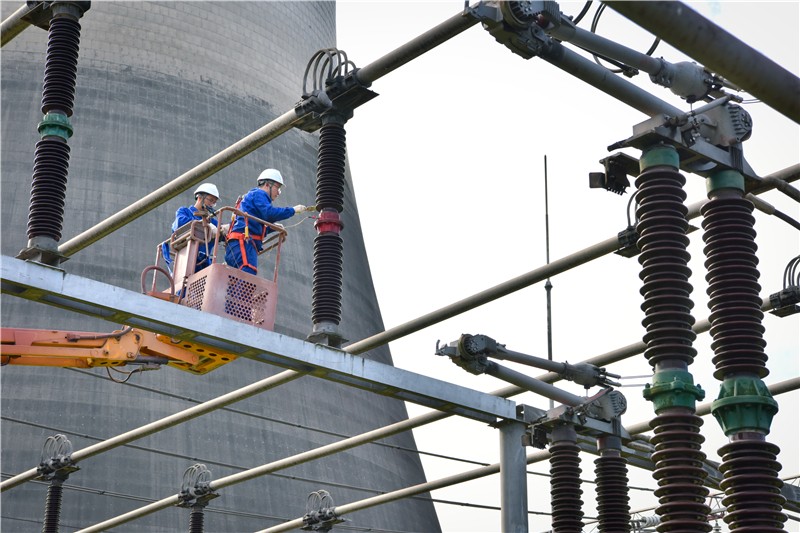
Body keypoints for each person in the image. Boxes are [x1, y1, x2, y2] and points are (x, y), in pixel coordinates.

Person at [225, 168, 311, 275]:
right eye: (277, 188)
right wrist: (292, 210)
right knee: (247, 273)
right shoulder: (259, 194)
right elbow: (269, 213)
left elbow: (255, 225)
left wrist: (272, 228)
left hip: (239, 244)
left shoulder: (254, 198)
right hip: (243, 243)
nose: (278, 193)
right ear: (267, 184)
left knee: (236, 278)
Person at [162, 183, 222, 274]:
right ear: (199, 197)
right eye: (210, 200)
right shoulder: (184, 212)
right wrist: (205, 226)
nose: (212, 204)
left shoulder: (212, 221)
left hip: (203, 263)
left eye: (214, 202)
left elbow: (222, 230)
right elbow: (180, 224)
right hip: (186, 259)